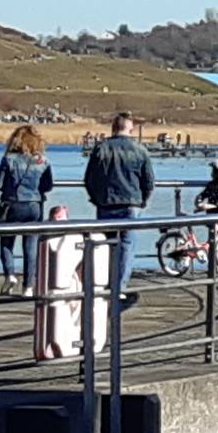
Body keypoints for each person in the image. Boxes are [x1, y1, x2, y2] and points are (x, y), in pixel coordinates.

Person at [83, 112, 157, 300]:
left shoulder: (101, 148)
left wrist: (95, 198)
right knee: (126, 246)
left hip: (106, 203)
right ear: (130, 129)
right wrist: (143, 200)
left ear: (113, 128)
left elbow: (89, 178)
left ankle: (103, 281)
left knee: (105, 245)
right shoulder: (140, 150)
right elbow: (149, 181)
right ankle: (119, 286)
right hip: (131, 204)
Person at [0, 124, 54, 295]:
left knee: (6, 242)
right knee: (31, 246)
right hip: (34, 205)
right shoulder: (43, 161)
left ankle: (10, 274)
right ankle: (28, 286)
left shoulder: (8, 159)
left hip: (11, 204)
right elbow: (48, 186)